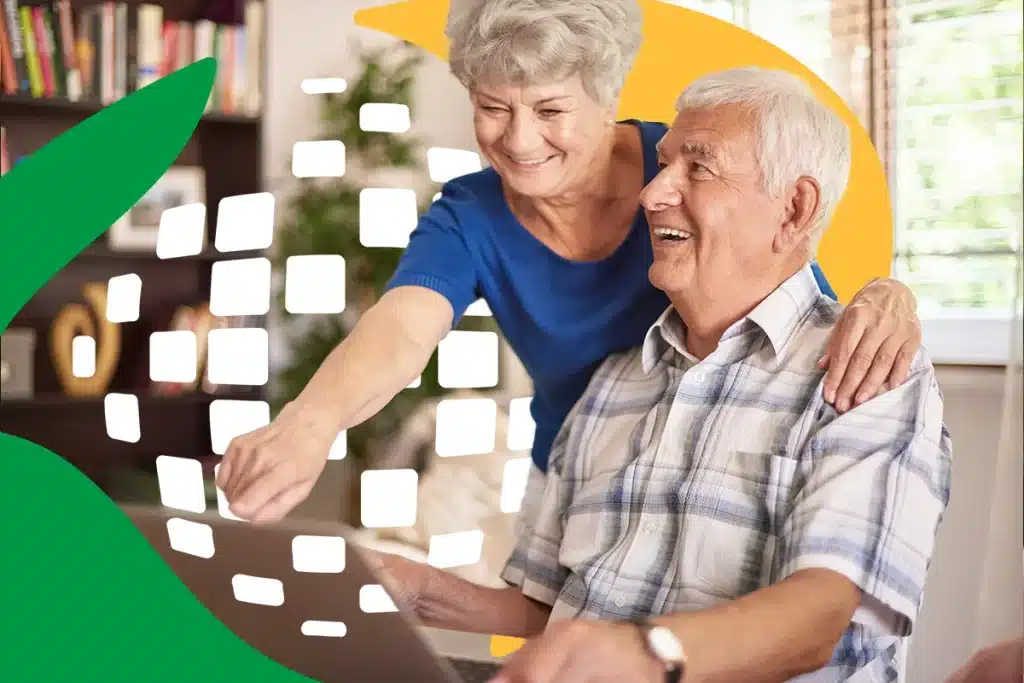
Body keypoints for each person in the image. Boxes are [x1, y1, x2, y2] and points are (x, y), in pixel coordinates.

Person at [217, 0, 923, 524]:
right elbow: (403, 328)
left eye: (551, 109)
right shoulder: (471, 213)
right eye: (493, 107)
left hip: (710, 481)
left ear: (607, 96)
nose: (519, 139)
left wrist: (889, 293)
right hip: (573, 484)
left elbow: (792, 280)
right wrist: (307, 425)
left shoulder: (682, 176)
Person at [361, 66, 954, 683]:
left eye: (698, 168)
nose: (652, 194)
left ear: (795, 208)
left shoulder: (870, 374)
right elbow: (550, 611)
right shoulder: (614, 382)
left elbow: (823, 618)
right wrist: (419, 589)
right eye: (662, 164)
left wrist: (647, 653)